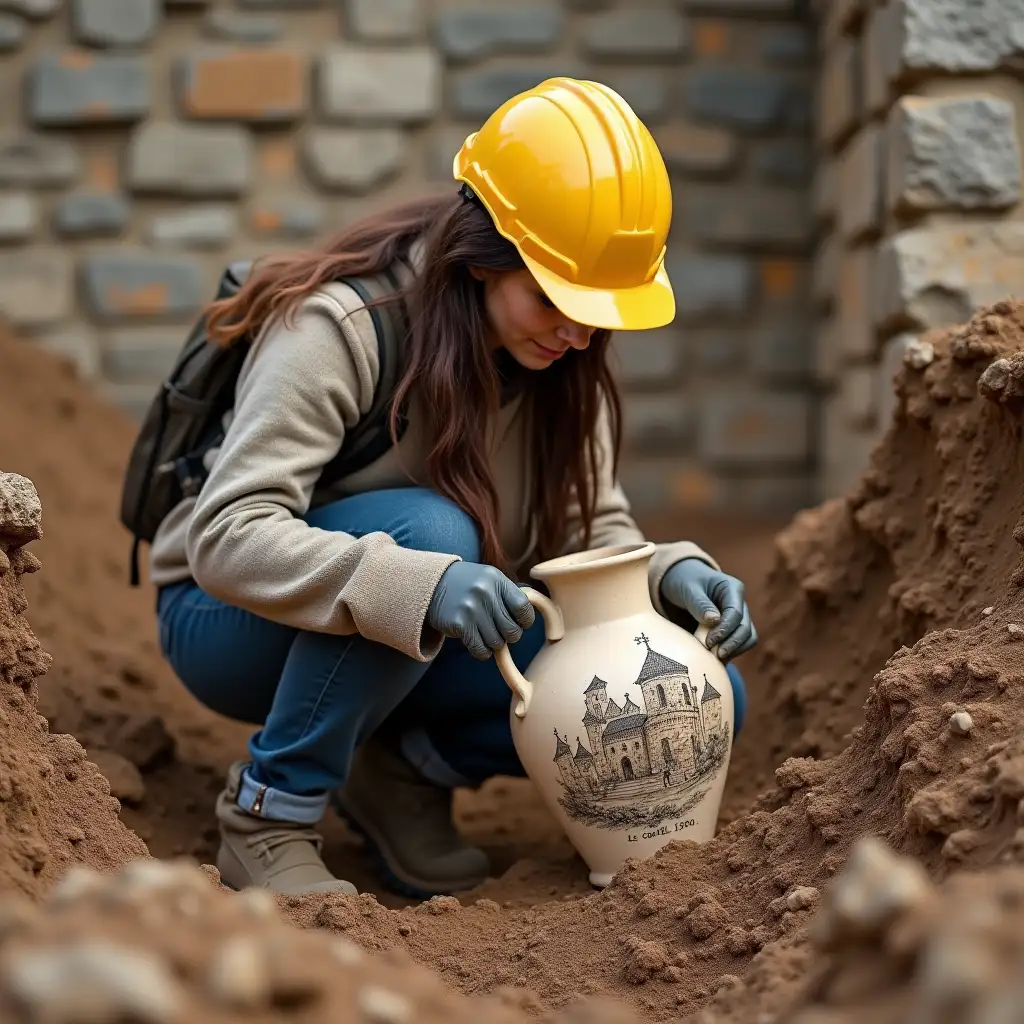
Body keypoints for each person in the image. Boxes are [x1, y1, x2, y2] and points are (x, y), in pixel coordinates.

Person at [148, 77, 758, 900]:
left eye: (595, 311)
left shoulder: (562, 366)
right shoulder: (341, 329)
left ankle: (398, 774)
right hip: (232, 623)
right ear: (482, 258)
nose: (577, 335)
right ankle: (269, 814)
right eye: (553, 300)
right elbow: (227, 535)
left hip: (400, 634)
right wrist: (422, 582)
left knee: (705, 693)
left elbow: (592, 530)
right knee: (429, 533)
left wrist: (664, 576)